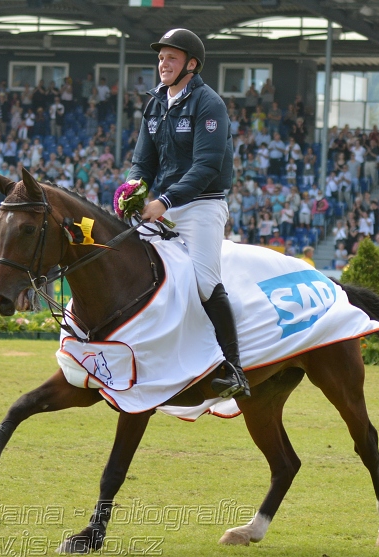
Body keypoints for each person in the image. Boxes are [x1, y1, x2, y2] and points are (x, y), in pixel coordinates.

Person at [125, 28, 248, 399]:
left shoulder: (209, 104)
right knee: (126, 262)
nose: (163, 63)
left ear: (191, 65)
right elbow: (141, 162)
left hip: (201, 205)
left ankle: (235, 368)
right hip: (162, 203)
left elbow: (208, 164)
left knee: (204, 283)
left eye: (171, 58)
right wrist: (131, 190)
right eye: (161, 57)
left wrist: (164, 201)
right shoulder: (155, 103)